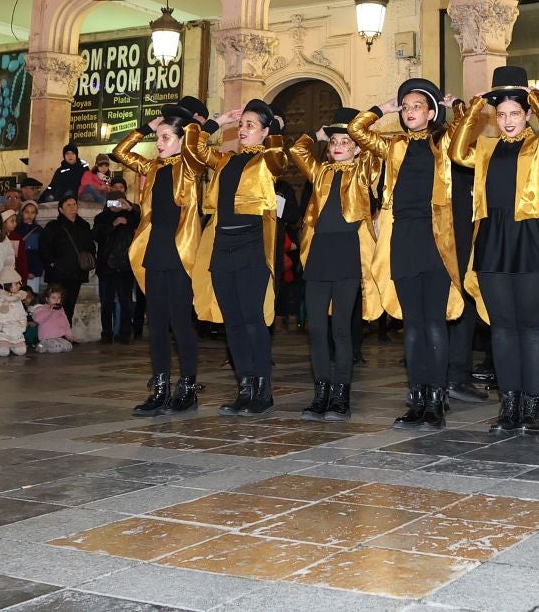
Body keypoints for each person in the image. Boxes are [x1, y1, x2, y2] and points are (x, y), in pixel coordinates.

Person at [448, 71, 539, 435]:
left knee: (531, 329)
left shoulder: (538, 147)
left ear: (527, 115)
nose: (507, 121)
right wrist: (474, 108)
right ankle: (509, 404)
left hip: (531, 241)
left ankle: (533, 408)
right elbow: (456, 152)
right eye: (501, 115)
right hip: (492, 242)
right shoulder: (485, 148)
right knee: (501, 329)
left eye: (515, 113)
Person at [352, 78, 464, 430]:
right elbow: (357, 130)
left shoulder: (443, 142)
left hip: (434, 238)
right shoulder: (394, 145)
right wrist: (380, 110)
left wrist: (456, 105)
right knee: (412, 326)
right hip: (402, 237)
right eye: (405, 106)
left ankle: (436, 398)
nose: (409, 110)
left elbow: (467, 127)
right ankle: (417, 396)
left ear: (431, 112)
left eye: (417, 105)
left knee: (434, 323)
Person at [190, 100, 288, 416]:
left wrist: (276, 130)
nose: (243, 129)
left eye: (251, 125)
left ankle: (263, 389)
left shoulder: (268, 159)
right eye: (242, 124)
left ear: (264, 131)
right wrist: (215, 122)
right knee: (232, 323)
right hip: (222, 247)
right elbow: (194, 148)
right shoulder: (225, 160)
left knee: (252, 320)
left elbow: (280, 161)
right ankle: (244, 387)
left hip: (252, 247)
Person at [112, 99, 209, 416]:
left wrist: (201, 124)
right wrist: (146, 128)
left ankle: (189, 389)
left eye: (167, 137)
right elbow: (120, 153)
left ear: (182, 140)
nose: (160, 142)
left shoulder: (190, 166)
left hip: (180, 252)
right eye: (159, 137)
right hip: (155, 250)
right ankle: (160, 390)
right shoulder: (152, 167)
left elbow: (197, 145)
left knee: (180, 323)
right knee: (157, 325)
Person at [287, 105, 382, 422]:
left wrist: (375, 113)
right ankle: (321, 392)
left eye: (345, 141)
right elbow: (297, 149)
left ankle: (341, 395)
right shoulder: (321, 172)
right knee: (316, 329)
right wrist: (314, 135)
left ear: (356, 147)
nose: (338, 146)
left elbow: (369, 143)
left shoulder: (364, 170)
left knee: (341, 329)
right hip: (319, 255)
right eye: (333, 142)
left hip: (348, 253)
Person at [39, 196, 96, 323]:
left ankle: (66, 334)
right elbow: (44, 246)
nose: (72, 207)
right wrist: (52, 263)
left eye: (74, 204)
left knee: (70, 306)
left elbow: (90, 246)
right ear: (61, 209)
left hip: (76, 273)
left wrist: (90, 260)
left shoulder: (83, 225)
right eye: (68, 205)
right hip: (58, 273)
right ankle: (53, 335)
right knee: (55, 306)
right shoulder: (53, 226)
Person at [97, 181, 141, 343]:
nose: (115, 205)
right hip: (107, 266)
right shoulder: (101, 218)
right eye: (112, 202)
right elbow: (97, 236)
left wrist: (130, 210)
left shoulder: (131, 217)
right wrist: (113, 225)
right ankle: (106, 334)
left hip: (125, 266)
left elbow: (144, 223)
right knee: (107, 302)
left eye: (119, 202)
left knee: (126, 301)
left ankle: (125, 334)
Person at [0, 266, 30, 356]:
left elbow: (22, 314)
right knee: (3, 352)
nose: (19, 285)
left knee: (21, 351)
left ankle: (11, 343)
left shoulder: (17, 299)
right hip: (0, 333)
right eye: (16, 284)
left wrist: (22, 326)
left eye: (19, 283)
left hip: (15, 332)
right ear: (6, 284)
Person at [33, 282, 74, 352]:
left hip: (58, 338)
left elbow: (66, 323)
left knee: (68, 347)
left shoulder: (61, 310)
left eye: (59, 298)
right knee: (57, 348)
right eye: (53, 298)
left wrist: (69, 335)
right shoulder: (42, 308)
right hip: (46, 338)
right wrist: (50, 311)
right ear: (47, 299)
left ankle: (45, 347)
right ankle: (41, 345)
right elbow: (37, 319)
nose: (57, 300)